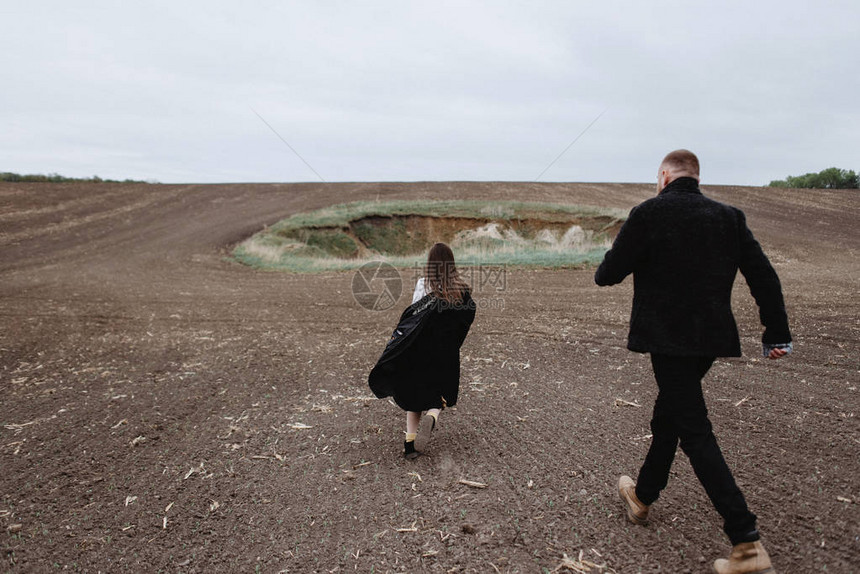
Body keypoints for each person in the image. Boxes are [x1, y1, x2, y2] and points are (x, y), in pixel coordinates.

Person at [595, 150, 791, 574]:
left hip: (668, 341)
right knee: (671, 416)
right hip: (710, 341)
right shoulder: (728, 217)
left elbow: (608, 273)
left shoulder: (648, 214)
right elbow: (764, 277)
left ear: (664, 176)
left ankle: (746, 544)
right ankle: (642, 497)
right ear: (695, 177)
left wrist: (625, 254)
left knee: (694, 429)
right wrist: (776, 334)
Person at [369, 243, 476, 459]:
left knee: (413, 395)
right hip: (444, 352)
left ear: (430, 263)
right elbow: (465, 317)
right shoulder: (462, 289)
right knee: (440, 392)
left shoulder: (423, 284)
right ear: (451, 263)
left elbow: (413, 316)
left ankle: (409, 445)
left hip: (419, 350)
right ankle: (433, 416)